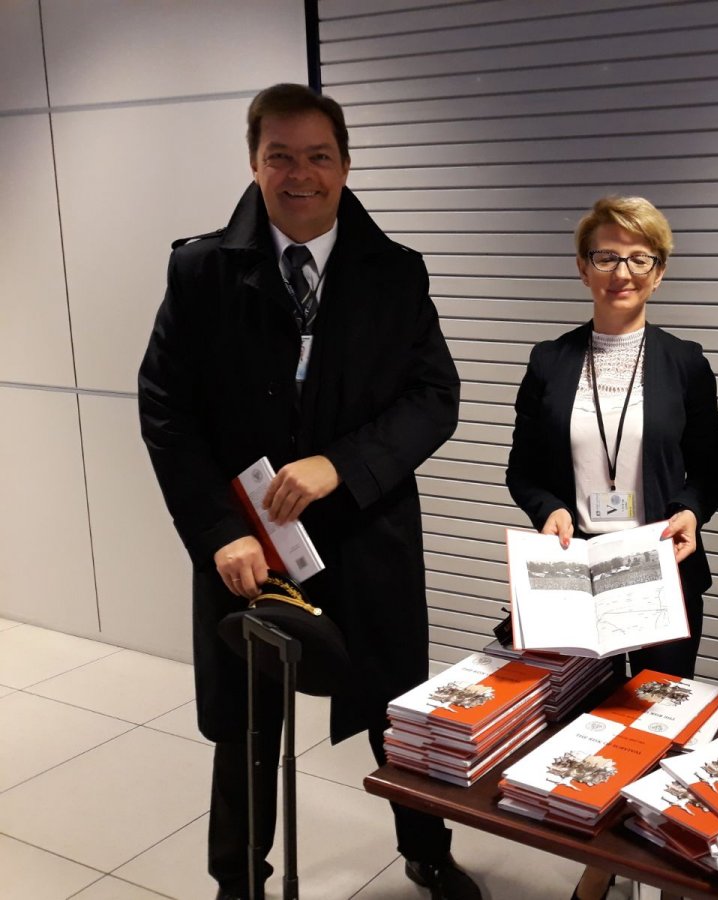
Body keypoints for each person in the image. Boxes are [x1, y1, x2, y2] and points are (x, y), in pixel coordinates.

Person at [138, 84, 480, 900]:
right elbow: (166, 409)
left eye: (318, 155)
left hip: (366, 530)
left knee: (398, 708)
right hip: (247, 540)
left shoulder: (395, 272)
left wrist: (342, 464)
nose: (301, 174)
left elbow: (434, 398)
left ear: (345, 164)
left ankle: (426, 850)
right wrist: (218, 530)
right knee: (246, 720)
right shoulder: (200, 271)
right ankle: (237, 881)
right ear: (254, 163)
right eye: (280, 156)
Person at [506, 196, 718, 900]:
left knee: (659, 723)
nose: (622, 272)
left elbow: (711, 469)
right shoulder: (549, 361)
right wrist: (549, 510)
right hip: (577, 574)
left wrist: (692, 511)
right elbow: (522, 469)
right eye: (606, 256)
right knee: (588, 728)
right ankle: (599, 861)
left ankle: (659, 858)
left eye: (639, 258)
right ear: (583, 268)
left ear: (659, 272)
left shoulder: (686, 363)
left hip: (661, 568)